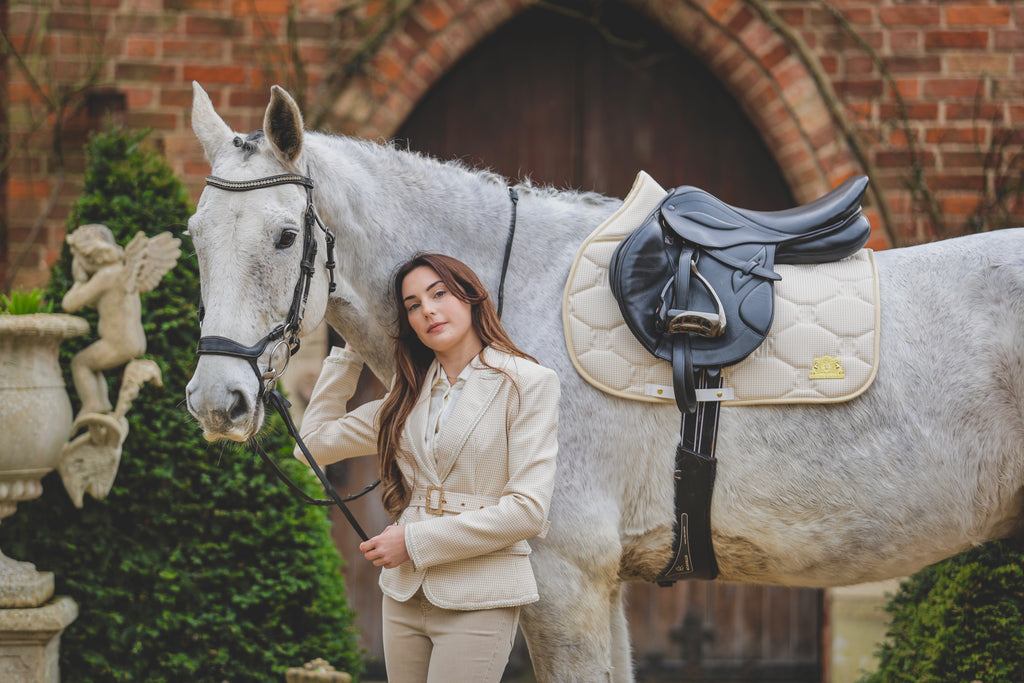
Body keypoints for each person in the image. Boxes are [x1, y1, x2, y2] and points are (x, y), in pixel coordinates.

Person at [296, 253, 559, 683]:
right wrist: (349, 356)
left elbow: (527, 511)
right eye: (413, 305)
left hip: (480, 594)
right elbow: (312, 446)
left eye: (439, 294)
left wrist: (413, 541)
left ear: (472, 298)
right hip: (403, 593)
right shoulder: (406, 398)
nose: (428, 310)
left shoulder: (527, 382)